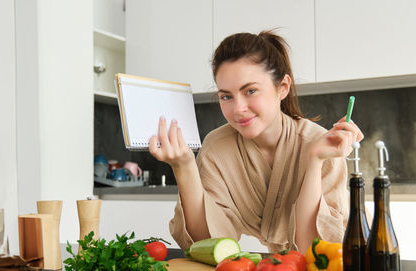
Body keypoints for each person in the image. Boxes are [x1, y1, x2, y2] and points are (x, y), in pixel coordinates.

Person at [148, 30, 363, 253]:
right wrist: (184, 167)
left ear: (283, 88)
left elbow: (316, 251)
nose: (238, 109)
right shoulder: (216, 148)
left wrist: (315, 159)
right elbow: (208, 245)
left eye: (250, 91)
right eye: (226, 96)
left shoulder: (322, 146)